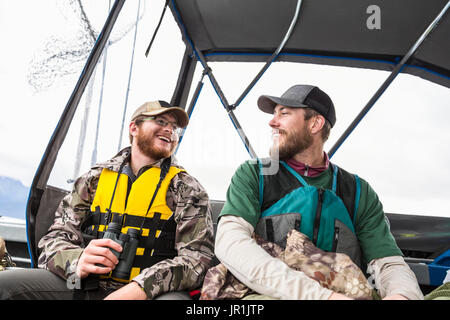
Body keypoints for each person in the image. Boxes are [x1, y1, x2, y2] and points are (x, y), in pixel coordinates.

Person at [214, 85, 423, 300]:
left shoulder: (359, 191)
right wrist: (322, 297)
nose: (272, 122)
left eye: (283, 113)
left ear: (315, 123)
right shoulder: (254, 174)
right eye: (274, 113)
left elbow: (388, 263)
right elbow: (231, 242)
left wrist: (402, 295)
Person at [0, 101, 214, 300]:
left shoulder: (188, 189)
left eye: (175, 127)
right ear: (134, 128)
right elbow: (54, 238)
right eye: (160, 122)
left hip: (151, 293)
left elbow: (197, 260)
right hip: (85, 283)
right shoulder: (93, 179)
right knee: (6, 285)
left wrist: (141, 287)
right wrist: (77, 260)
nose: (170, 130)